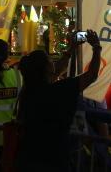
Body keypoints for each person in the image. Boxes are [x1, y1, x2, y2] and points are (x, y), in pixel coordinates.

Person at [16, 29, 102, 171]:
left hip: (28, 156)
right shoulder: (60, 90)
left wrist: (71, 49)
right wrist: (96, 47)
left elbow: (55, 71)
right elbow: (91, 75)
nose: (53, 62)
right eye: (50, 60)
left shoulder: (28, 91)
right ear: (46, 68)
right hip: (54, 158)